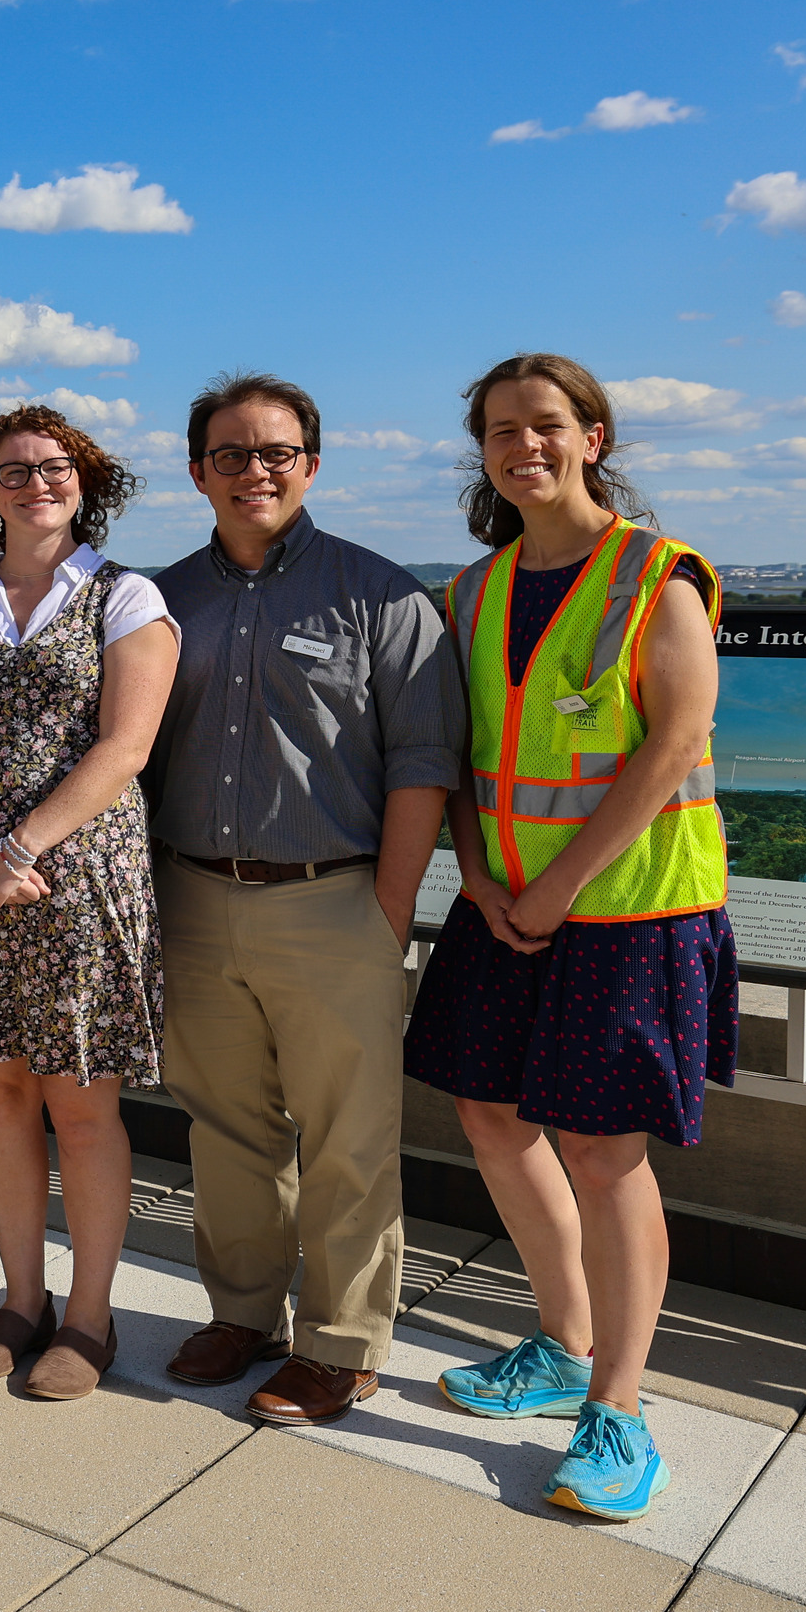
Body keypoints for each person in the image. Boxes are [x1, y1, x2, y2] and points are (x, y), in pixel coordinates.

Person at [405, 354, 733, 1524]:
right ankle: (558, 1340)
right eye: (501, 430)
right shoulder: (473, 589)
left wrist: (554, 888)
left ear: (593, 435)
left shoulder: (657, 574)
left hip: (632, 908)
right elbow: (452, 750)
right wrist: (489, 878)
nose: (522, 446)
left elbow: (673, 738)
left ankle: (623, 1407)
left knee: (604, 1151)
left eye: (546, 425)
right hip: (507, 905)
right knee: (490, 1114)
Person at [149, 374, 466, 1425]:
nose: (256, 470)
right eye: (231, 454)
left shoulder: (381, 596)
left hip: (337, 901)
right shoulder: (159, 601)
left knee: (348, 1134)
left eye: (277, 451)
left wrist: (387, 908)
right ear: (198, 470)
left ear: (312, 465)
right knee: (225, 1122)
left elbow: (424, 763)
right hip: (193, 896)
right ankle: (244, 1312)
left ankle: (342, 1342)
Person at [0, 404, 178, 1401]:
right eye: (12, 472)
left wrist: (21, 842)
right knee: (1, 1090)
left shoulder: (126, 596)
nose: (33, 485)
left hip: (80, 879)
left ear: (84, 479)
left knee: (81, 1101)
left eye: (52, 468)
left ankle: (92, 1315)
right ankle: (22, 1296)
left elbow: (125, 746)